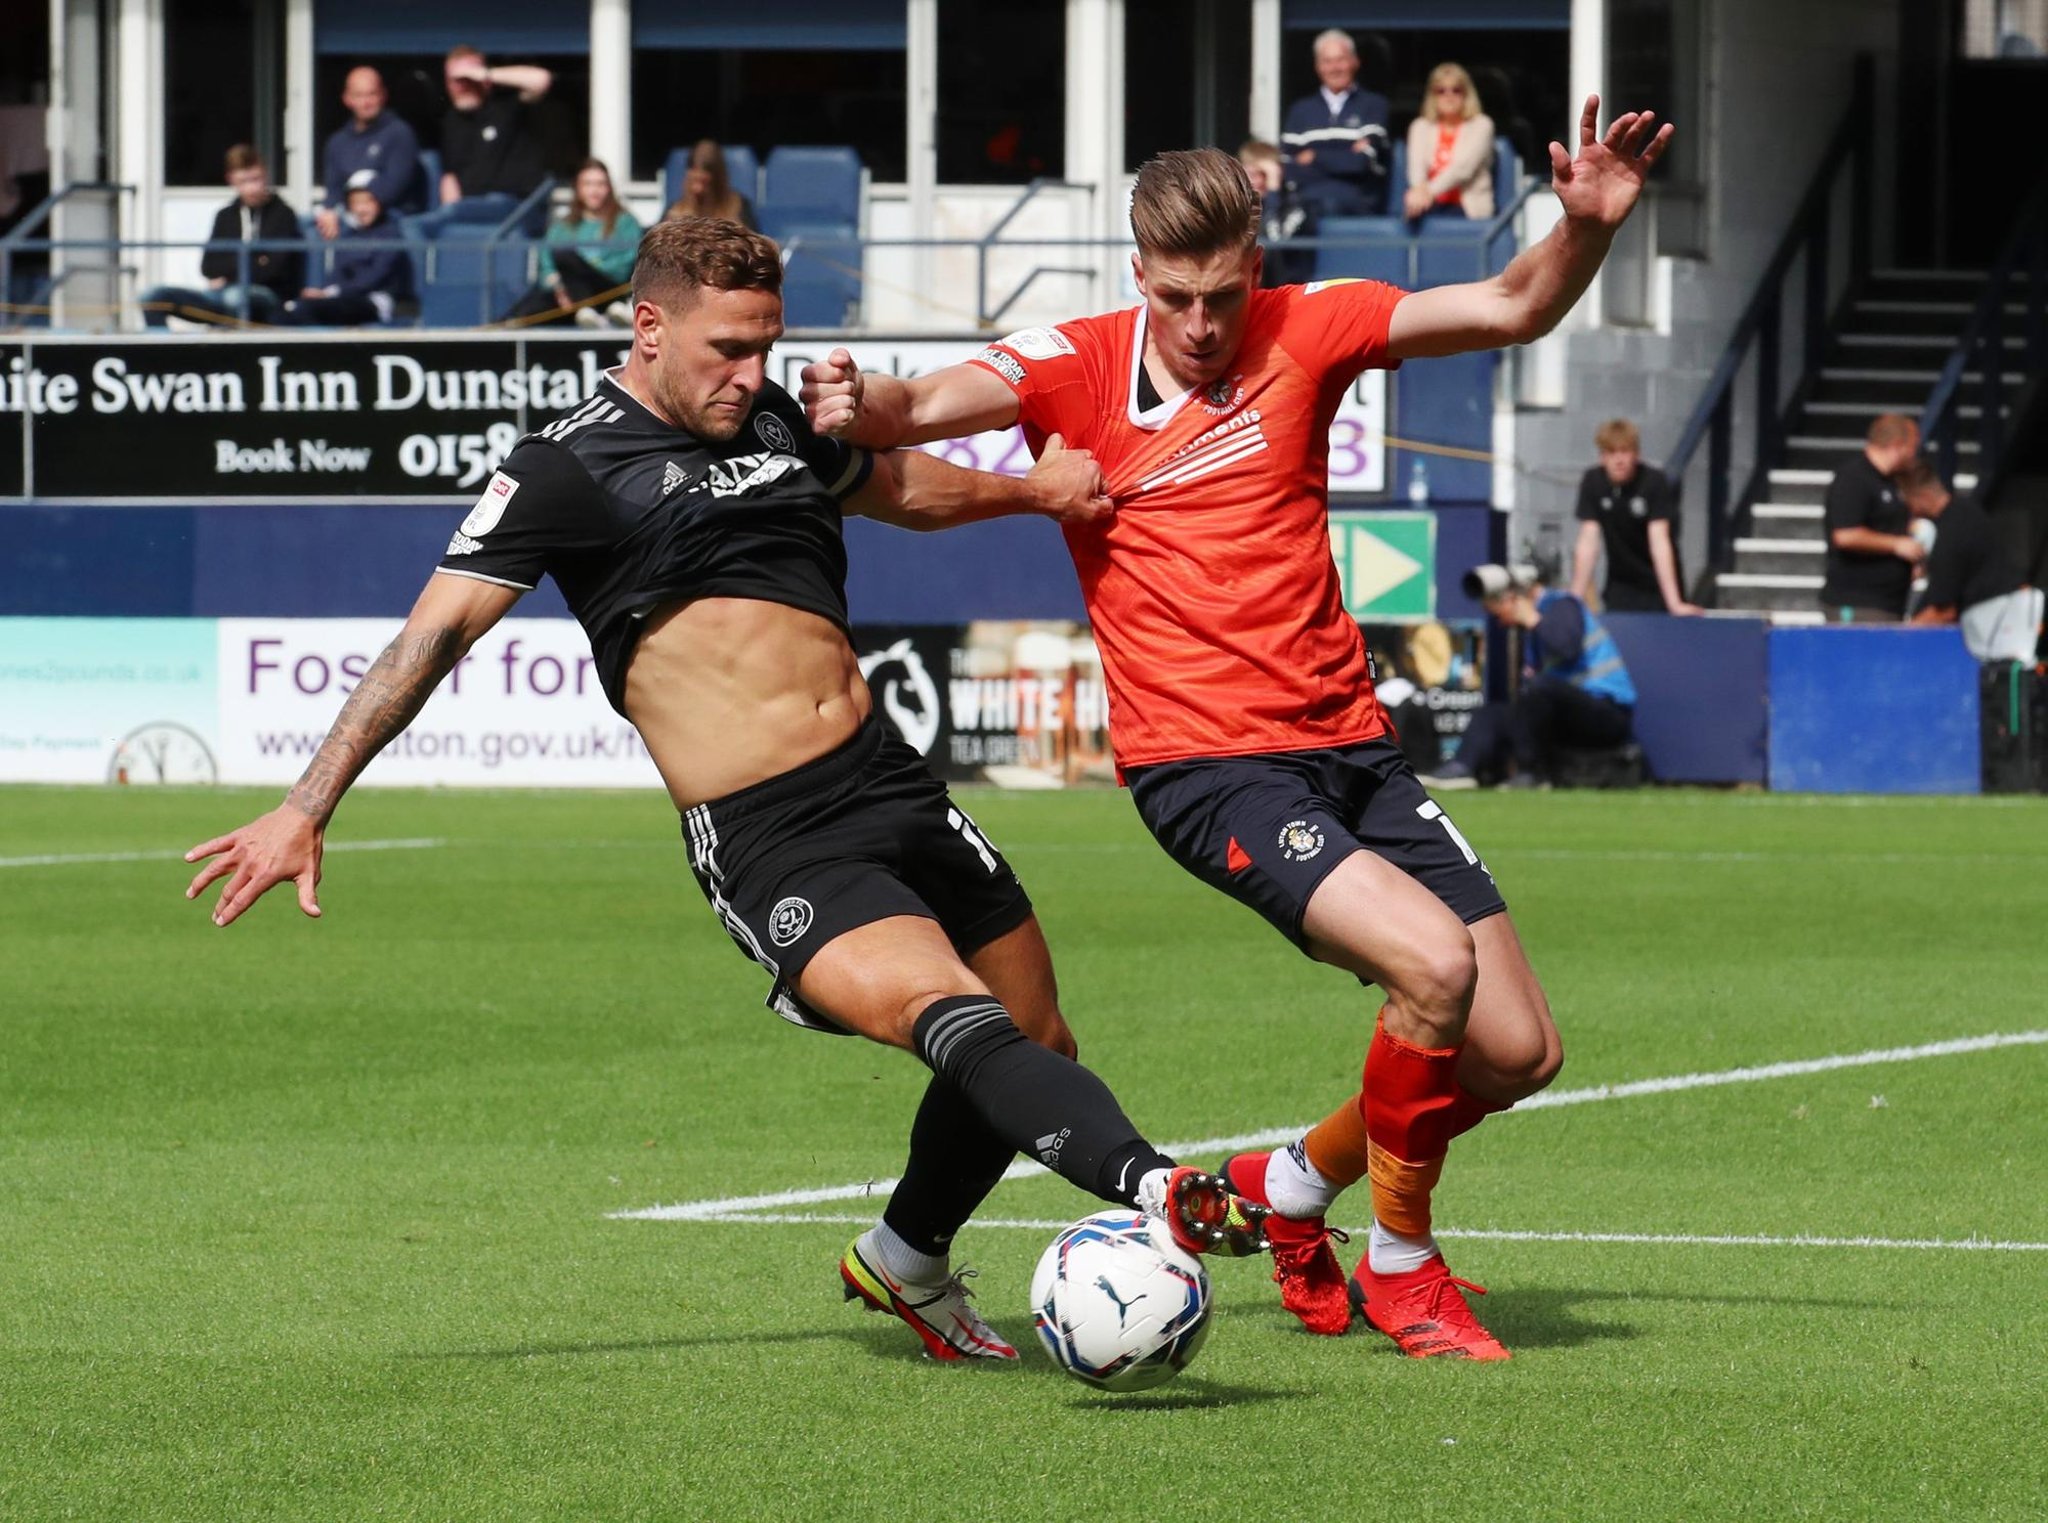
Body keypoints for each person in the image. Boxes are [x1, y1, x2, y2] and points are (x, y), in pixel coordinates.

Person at [183, 217, 1268, 1363]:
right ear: (648, 327)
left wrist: (1034, 490)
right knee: (955, 1018)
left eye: (766, 344)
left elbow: (896, 483)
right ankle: (1154, 1182)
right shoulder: (563, 465)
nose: (753, 373)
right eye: (728, 349)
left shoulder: (769, 418)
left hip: (890, 781)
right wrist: (307, 804)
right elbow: (428, 637)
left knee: (1040, 1033)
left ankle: (903, 1256)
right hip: (775, 838)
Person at [802, 101, 1673, 1360]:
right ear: (1137, 275)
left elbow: (1509, 306)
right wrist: (851, 394)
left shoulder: (1307, 327)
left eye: (1222, 292)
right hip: (1208, 768)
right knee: (1431, 964)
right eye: (1175, 296)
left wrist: (1583, 226)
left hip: (1351, 750)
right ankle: (1402, 1263)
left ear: (1254, 263)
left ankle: (1286, 1189)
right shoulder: (1076, 360)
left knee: (1514, 1049)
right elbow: (918, 402)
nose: (1202, 325)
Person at [1428, 563, 1636, 789]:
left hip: (1605, 714)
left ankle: (1532, 775)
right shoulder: (1531, 634)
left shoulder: (1562, 605)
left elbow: (1565, 648)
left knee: (1540, 688)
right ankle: (1463, 767)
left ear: (1517, 599)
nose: (1499, 620)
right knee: (1493, 713)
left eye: (1499, 607)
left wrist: (1533, 620)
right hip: (1563, 715)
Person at [139, 145, 301, 329]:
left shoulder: (283, 215)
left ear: (265, 175)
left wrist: (228, 272)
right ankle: (162, 353)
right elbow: (208, 267)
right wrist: (255, 259)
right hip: (221, 295)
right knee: (153, 297)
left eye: (256, 179)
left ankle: (233, 354)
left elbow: (275, 270)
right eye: (243, 182)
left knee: (235, 298)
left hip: (267, 297)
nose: (252, 188)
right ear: (231, 181)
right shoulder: (225, 216)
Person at [1901, 459, 2042, 661]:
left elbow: (1943, 612)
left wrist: (1900, 637)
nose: (1910, 510)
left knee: (1998, 682)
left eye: (1909, 502)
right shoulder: (1967, 512)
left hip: (1997, 620)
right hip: (2008, 612)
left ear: (1922, 497)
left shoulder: (1951, 534)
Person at [1570, 417, 1700, 614]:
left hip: (1657, 586)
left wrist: (1674, 603)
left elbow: (1659, 542)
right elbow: (1588, 543)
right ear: (1602, 457)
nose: (1619, 460)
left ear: (1636, 455)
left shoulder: (1653, 482)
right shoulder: (1593, 482)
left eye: (1625, 452)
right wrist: (1575, 600)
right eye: (1612, 453)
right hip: (1620, 585)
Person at [503, 159, 642, 326]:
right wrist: (560, 289)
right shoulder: (562, 228)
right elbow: (547, 268)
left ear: (609, 187)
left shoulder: (626, 223)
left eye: (600, 184)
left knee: (566, 257)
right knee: (530, 310)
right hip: (567, 296)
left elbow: (623, 267)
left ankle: (587, 309)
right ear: (578, 188)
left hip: (609, 292)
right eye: (588, 184)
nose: (594, 190)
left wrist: (583, 273)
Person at [1820, 413, 1923, 621]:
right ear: (1897, 445)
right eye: (1912, 447)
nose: (1914, 455)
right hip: (1858, 603)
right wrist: (1896, 545)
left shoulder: (1892, 482)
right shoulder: (1854, 478)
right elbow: (1845, 535)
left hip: (1890, 603)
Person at [1280, 29, 1391, 217]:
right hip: (1307, 206)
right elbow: (1289, 167)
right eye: (1327, 61)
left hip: (1358, 208)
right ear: (1317, 67)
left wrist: (1314, 156)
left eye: (1341, 59)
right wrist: (1343, 157)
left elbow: (1361, 163)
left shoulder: (1374, 105)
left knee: (1330, 203)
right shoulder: (1300, 110)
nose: (1334, 68)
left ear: (1355, 62)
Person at [438, 45, 552, 225]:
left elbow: (541, 80)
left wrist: (484, 73)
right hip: (472, 211)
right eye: (455, 80)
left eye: (467, 79)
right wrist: (450, 213)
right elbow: (450, 175)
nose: (462, 86)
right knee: (415, 227)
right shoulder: (451, 121)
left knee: (491, 204)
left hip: (516, 208)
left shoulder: (507, 106)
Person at [279, 178, 412, 328]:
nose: (361, 209)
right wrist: (322, 292)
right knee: (291, 310)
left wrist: (330, 294)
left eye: (368, 202)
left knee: (311, 309)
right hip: (342, 298)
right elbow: (338, 273)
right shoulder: (348, 235)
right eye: (356, 203)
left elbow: (372, 278)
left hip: (375, 301)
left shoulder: (391, 236)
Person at [315, 67, 422, 241]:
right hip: (349, 222)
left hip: (393, 224)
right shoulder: (337, 142)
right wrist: (328, 212)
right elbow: (333, 191)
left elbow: (392, 189)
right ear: (347, 99)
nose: (365, 102)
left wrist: (358, 206)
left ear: (383, 95)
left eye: (371, 94)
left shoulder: (400, 133)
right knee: (316, 229)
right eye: (358, 95)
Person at [1403, 63, 1496, 223]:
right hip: (1426, 206)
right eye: (1441, 90)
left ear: (1466, 94)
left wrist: (1427, 192)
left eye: (1456, 90)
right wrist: (1419, 192)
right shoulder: (1420, 126)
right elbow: (1416, 169)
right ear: (1432, 96)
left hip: (1467, 210)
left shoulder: (1482, 125)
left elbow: (1463, 169)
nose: (1449, 95)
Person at [1239, 138, 1316, 288]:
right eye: (1251, 173)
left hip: (1284, 287)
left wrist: (1273, 192)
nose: (1257, 181)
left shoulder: (1295, 205)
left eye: (1264, 174)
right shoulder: (1238, 205)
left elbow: (1275, 240)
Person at [664, 140, 757, 230]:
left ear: (719, 180)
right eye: (694, 180)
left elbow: (756, 243)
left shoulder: (739, 208)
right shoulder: (674, 211)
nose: (698, 189)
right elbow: (654, 243)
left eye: (705, 183)